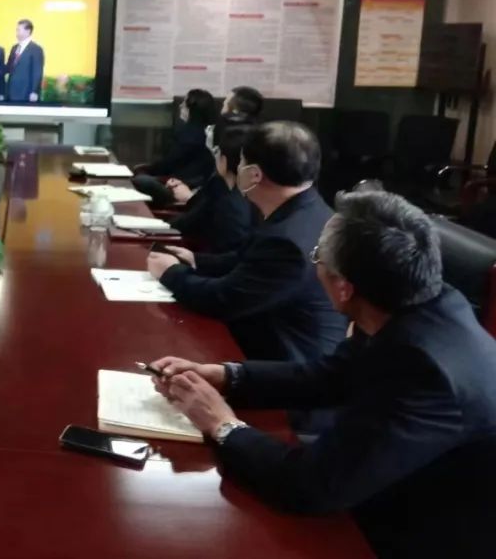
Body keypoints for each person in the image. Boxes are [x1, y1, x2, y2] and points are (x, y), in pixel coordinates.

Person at [149, 191, 496, 559]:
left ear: (344, 287)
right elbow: (330, 375)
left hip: (419, 531)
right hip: (383, 485)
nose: (314, 264)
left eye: (317, 256)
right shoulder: (417, 301)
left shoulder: (424, 371)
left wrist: (222, 424)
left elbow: (310, 487)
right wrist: (227, 376)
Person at [147, 122, 347, 366]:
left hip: (286, 366)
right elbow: (247, 260)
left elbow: (223, 300)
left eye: (241, 161)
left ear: (254, 174)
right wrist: (195, 260)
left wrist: (170, 273)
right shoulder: (307, 209)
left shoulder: (287, 242)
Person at [170, 123, 257, 253]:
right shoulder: (246, 196)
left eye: (217, 152)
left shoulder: (229, 203)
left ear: (224, 161)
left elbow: (231, 257)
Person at [133, 89, 218, 208]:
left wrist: (148, 170)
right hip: (191, 182)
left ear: (192, 109)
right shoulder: (210, 131)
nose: (180, 106)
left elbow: (169, 163)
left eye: (184, 103)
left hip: (183, 185)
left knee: (141, 180)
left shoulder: (191, 134)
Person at [5, 19, 45, 102]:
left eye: (19, 30)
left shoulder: (36, 49)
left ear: (28, 31)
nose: (17, 32)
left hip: (26, 93)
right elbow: (9, 67)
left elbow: (37, 72)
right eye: (16, 30)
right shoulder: (14, 48)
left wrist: (34, 91)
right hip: (11, 92)